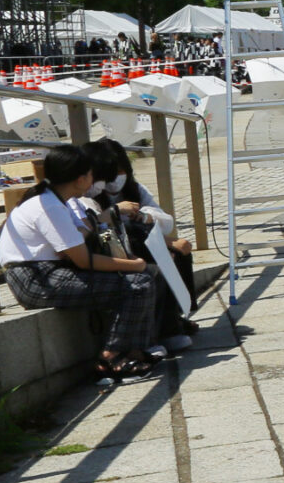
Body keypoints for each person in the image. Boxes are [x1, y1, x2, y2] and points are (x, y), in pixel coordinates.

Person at [0, 142, 164, 382]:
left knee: (142, 278)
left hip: (45, 273)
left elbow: (75, 247)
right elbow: (84, 261)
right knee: (139, 282)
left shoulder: (53, 201)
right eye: (91, 175)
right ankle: (112, 357)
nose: (95, 180)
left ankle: (133, 351)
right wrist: (134, 265)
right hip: (37, 279)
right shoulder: (49, 207)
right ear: (80, 178)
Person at [81, 138, 197, 352]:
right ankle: (165, 330)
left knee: (180, 251)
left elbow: (164, 220)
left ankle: (177, 317)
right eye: (110, 173)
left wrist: (145, 217)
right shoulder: (88, 197)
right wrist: (115, 213)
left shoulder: (135, 189)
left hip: (138, 241)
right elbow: (100, 235)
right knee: (155, 265)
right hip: (112, 249)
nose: (116, 179)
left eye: (120, 170)